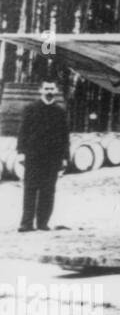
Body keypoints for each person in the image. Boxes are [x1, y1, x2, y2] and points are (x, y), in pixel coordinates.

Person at [16, 80, 70, 232]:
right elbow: (22, 132)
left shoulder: (60, 112)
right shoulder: (30, 109)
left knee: (48, 190)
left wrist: (65, 157)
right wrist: (21, 152)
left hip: (53, 158)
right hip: (33, 156)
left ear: (56, 90)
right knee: (30, 189)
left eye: (52, 88)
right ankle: (26, 224)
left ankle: (42, 223)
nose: (49, 91)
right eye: (46, 88)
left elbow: (65, 136)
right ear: (40, 90)